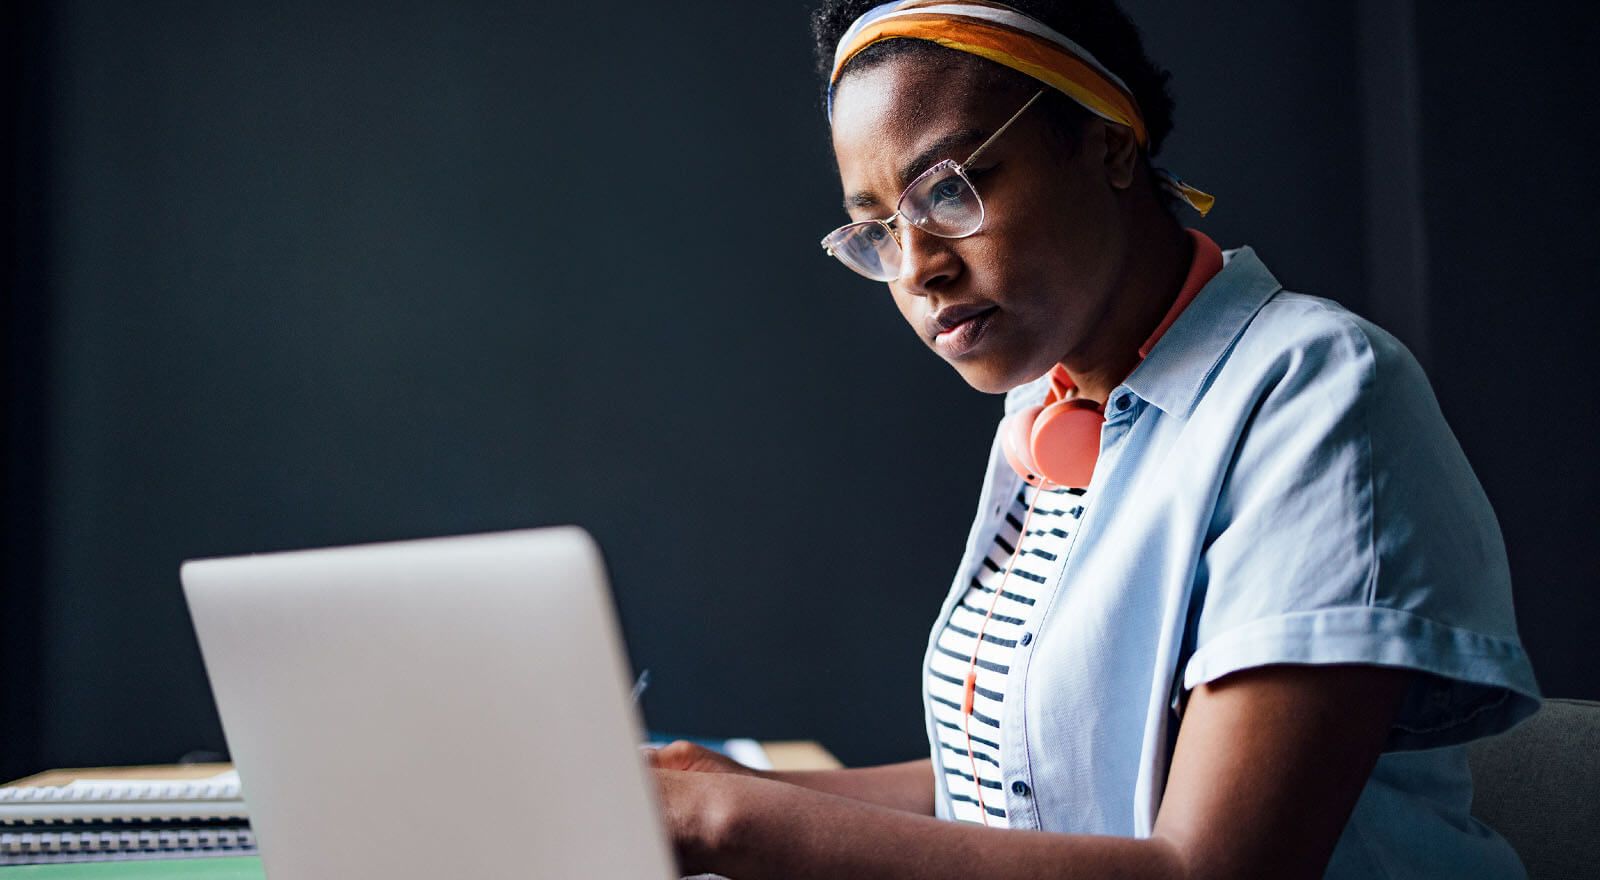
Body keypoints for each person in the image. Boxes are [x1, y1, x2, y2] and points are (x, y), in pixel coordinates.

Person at [647, 1, 1541, 877]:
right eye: (880, 227)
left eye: (951, 189)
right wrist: (731, 788)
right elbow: (1037, 789)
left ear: (1109, 140)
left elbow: (1211, 866)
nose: (919, 264)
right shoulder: (1053, 406)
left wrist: (731, 825)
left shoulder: (1316, 391)